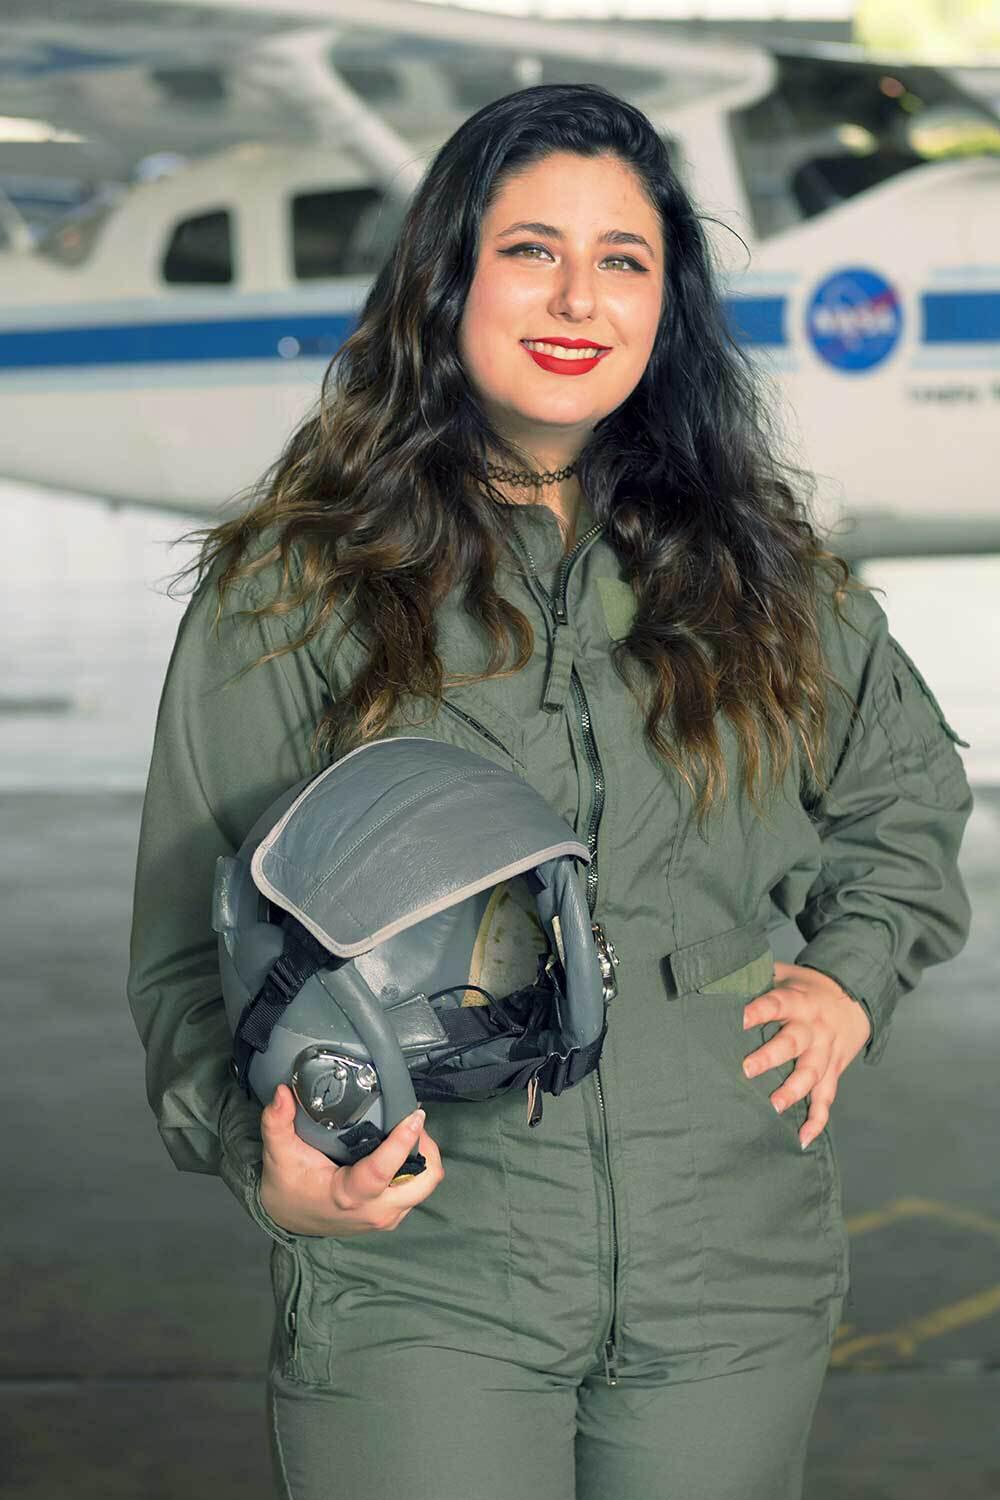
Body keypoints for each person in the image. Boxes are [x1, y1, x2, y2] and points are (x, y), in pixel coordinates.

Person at [126, 83, 973, 1500]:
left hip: (727, 1266)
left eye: (624, 260)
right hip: (428, 1262)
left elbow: (908, 799)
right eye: (531, 250)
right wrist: (261, 1159)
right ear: (447, 278)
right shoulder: (290, 590)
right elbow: (180, 954)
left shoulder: (765, 576)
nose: (579, 296)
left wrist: (852, 976)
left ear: (668, 305)